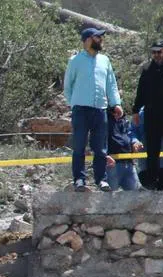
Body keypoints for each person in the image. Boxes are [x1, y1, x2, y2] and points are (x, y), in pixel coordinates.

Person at [64, 27, 123, 192]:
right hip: (81, 110)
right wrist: (74, 104)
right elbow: (67, 86)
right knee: (79, 146)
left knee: (100, 148)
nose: (101, 40)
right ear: (88, 40)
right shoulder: (75, 61)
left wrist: (116, 103)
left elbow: (111, 84)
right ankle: (79, 180)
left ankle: (101, 180)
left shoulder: (105, 60)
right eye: (98, 37)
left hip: (100, 110)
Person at [133, 40, 163, 190]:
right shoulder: (147, 69)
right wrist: (135, 110)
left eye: (159, 52)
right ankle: (151, 181)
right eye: (154, 52)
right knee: (152, 150)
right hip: (151, 115)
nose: (156, 55)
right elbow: (141, 91)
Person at [107, 106, 143, 191]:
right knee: (109, 198)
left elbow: (130, 133)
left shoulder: (124, 120)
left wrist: (134, 142)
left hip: (129, 164)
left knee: (136, 197)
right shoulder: (104, 119)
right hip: (111, 165)